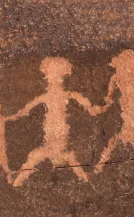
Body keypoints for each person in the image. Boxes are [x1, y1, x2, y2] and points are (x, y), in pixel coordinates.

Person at [12, 57, 101, 187]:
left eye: (54, 75)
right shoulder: (61, 95)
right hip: (56, 130)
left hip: (57, 130)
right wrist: (91, 107)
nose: (51, 80)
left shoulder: (58, 95)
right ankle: (84, 178)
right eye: (51, 76)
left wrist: (21, 113)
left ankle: (18, 181)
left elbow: (30, 106)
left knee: (37, 156)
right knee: (42, 156)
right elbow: (80, 99)